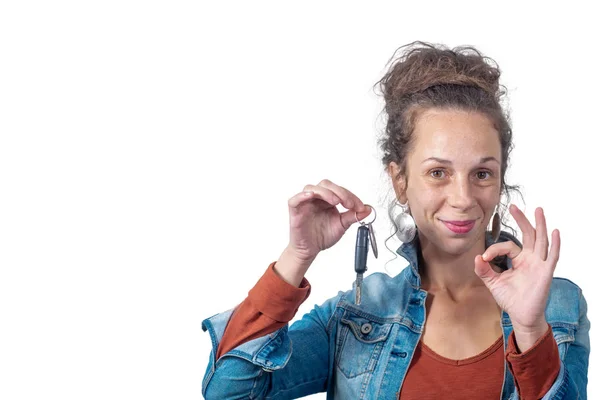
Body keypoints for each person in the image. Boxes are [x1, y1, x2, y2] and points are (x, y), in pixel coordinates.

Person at [201, 41, 590, 399]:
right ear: (399, 180)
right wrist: (297, 254)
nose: (463, 197)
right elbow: (229, 391)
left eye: (482, 173)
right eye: (438, 172)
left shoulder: (556, 306)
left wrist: (530, 332)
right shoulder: (356, 316)